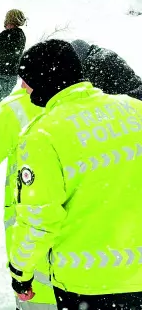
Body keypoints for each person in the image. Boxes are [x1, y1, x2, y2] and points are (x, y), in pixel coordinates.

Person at [9, 39, 142, 310]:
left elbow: (39, 220)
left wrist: (20, 273)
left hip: (89, 281)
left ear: (45, 79)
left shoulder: (43, 136)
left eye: (26, 79)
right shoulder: (134, 109)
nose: (23, 87)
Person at [0, 87, 55, 310]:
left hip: (31, 217)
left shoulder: (17, 108)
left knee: (38, 291)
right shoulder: (98, 106)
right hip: (98, 258)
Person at [70, 39, 142, 100]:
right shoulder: (103, 54)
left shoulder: (94, 62)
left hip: (129, 98)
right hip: (136, 92)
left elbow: (94, 93)